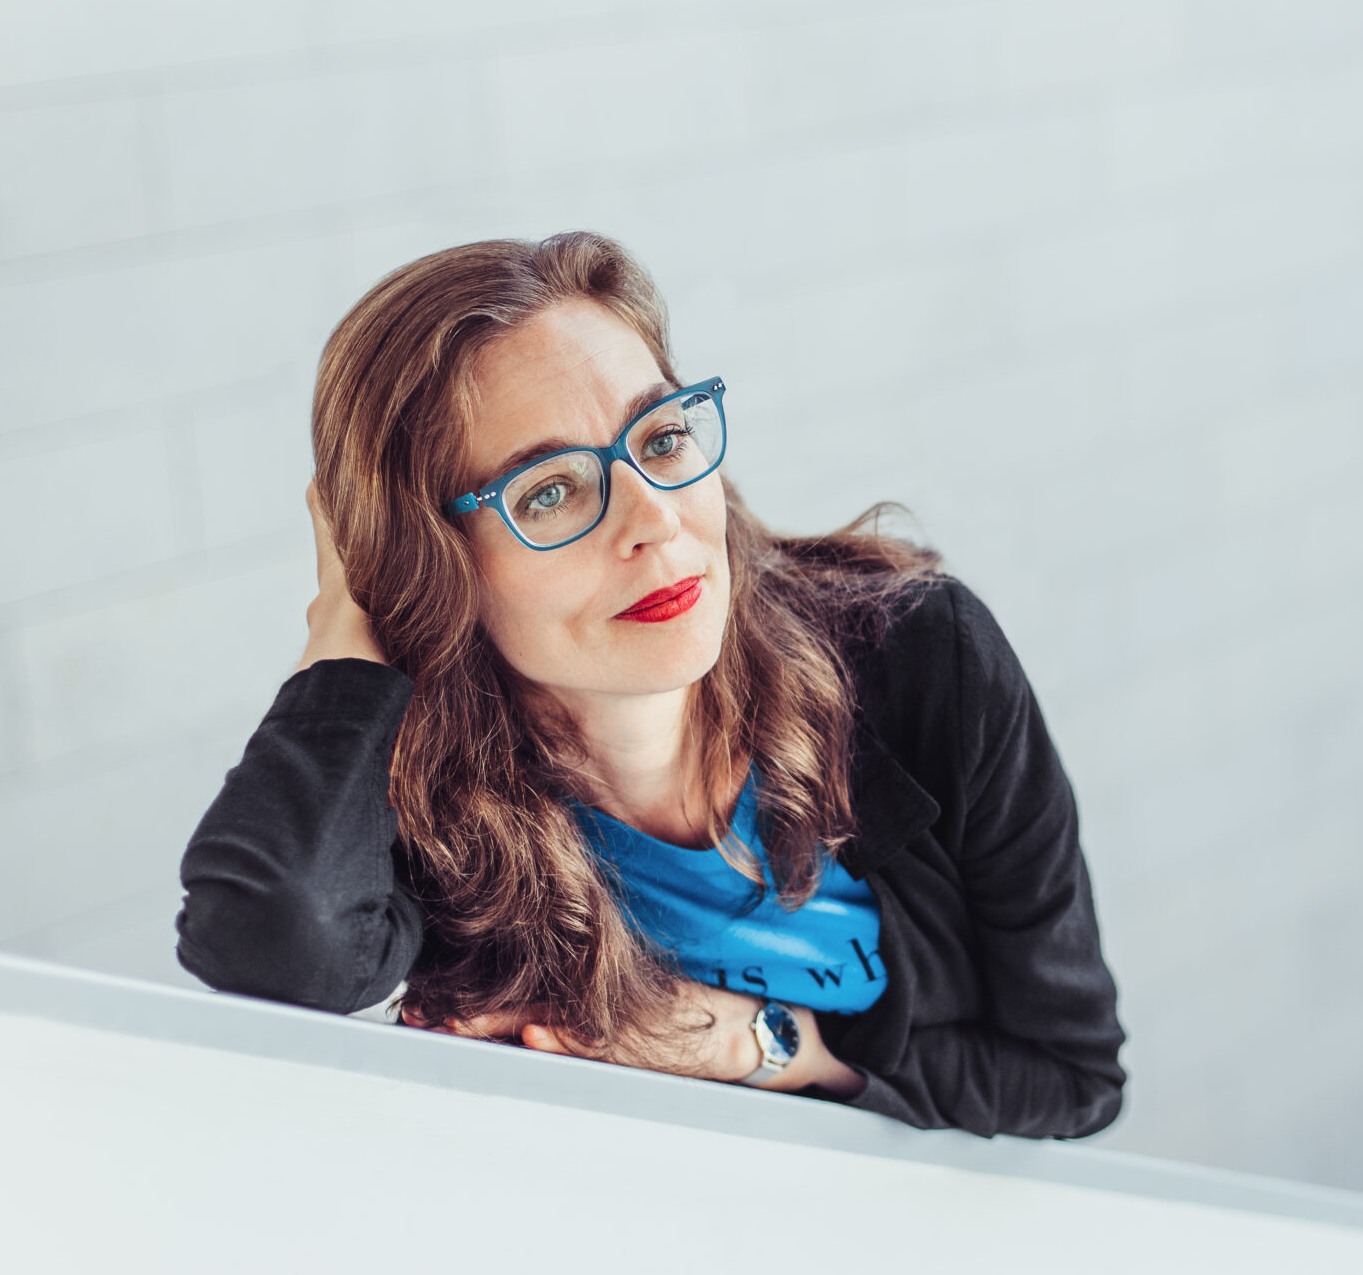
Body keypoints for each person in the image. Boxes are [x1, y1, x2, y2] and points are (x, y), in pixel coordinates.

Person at [175, 232, 1125, 1139]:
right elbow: (272, 938)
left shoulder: (917, 659)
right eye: (548, 490)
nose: (656, 520)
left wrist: (756, 1045)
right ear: (430, 560)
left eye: (661, 437)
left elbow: (1071, 1077)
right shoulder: (420, 812)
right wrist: (345, 634)